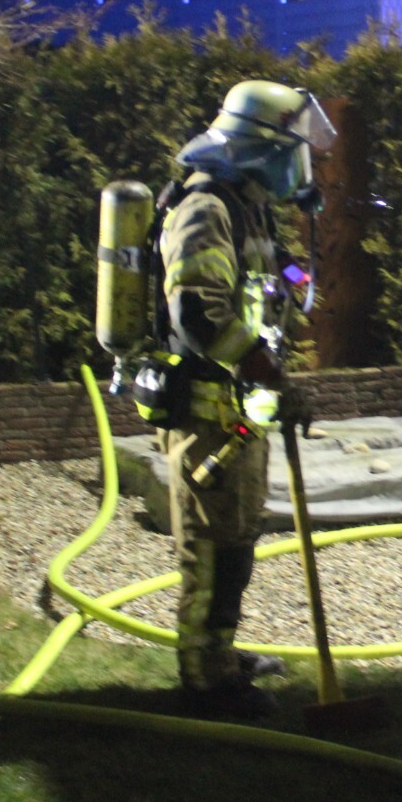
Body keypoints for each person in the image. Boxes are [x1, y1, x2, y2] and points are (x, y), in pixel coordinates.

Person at [160, 79, 334, 718]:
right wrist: (273, 377)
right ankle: (205, 682)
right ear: (263, 145)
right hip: (207, 413)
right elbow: (198, 314)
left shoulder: (247, 205)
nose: (301, 163)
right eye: (294, 149)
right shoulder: (206, 207)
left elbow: (271, 264)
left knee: (236, 543)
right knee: (210, 550)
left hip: (239, 411)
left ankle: (223, 655)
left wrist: (299, 275)